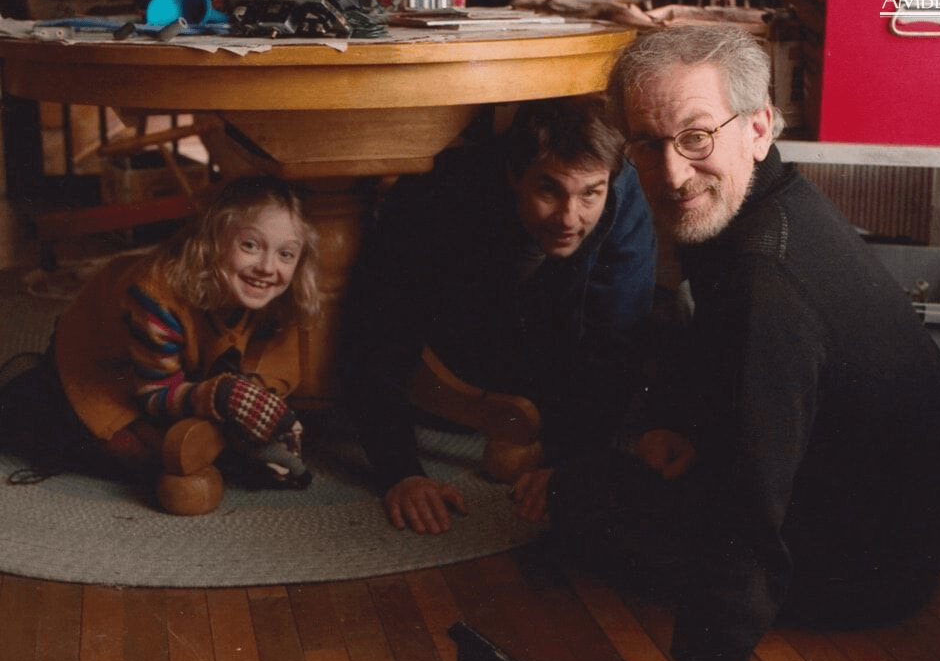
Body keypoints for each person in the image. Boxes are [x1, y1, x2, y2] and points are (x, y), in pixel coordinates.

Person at [541, 24, 940, 661]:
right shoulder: (778, 205)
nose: (672, 172)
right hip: (911, 527)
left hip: (870, 570)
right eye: (648, 144)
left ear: (760, 127)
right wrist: (686, 424)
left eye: (695, 137)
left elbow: (745, 514)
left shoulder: (765, 281)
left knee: (577, 495)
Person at [341, 94, 657, 535]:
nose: (570, 217)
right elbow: (376, 334)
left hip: (549, 334)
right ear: (514, 174)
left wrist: (570, 463)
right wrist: (402, 472)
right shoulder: (436, 196)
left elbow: (617, 339)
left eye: (590, 193)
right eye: (549, 189)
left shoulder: (624, 195)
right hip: (463, 332)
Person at [2, 176, 322, 514]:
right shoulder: (156, 296)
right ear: (213, 240)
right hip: (101, 361)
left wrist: (257, 406)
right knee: (147, 458)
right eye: (250, 246)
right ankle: (29, 390)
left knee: (219, 442)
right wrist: (222, 397)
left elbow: (272, 369)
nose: (268, 268)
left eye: (286, 254)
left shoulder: (281, 296)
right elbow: (155, 393)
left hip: (183, 358)